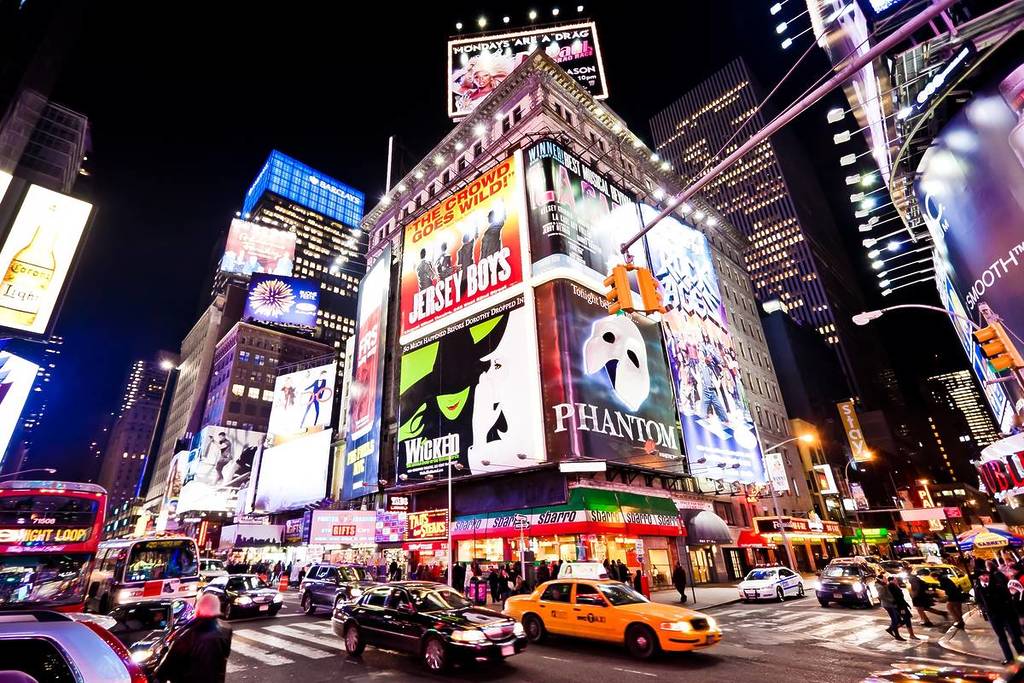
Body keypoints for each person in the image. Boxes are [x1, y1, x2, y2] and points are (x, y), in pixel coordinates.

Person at [154, 593, 232, 683]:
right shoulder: (226, 629)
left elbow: (166, 668)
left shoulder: (185, 636)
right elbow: (225, 654)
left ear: (197, 609)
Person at [978, 565, 1024, 664]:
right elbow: (979, 600)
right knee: (1001, 637)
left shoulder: (996, 582)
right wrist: (984, 610)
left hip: (1005, 613)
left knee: (1013, 635)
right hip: (993, 616)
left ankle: (1021, 653)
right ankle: (1009, 658)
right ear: (979, 577)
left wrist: (1010, 609)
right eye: (983, 575)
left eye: (987, 575)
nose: (986, 577)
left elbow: (1007, 595)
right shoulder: (978, 587)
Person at [878, 575, 905, 641]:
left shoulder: (885, 585)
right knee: (895, 620)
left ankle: (890, 629)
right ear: (881, 579)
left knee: (898, 619)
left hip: (892, 604)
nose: (886, 579)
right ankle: (897, 635)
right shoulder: (881, 586)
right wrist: (891, 600)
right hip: (888, 605)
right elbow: (881, 596)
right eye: (884, 578)